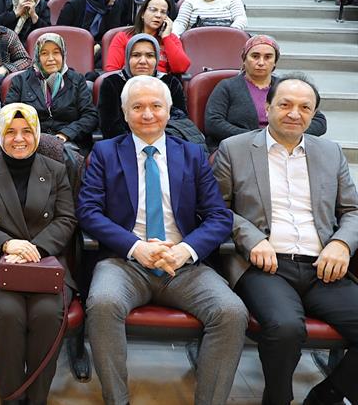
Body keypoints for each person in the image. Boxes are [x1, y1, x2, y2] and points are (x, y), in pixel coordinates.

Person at [77, 74, 248, 405]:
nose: (147, 114)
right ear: (124, 113)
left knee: (231, 312)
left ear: (169, 111)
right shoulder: (105, 152)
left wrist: (185, 250)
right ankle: (118, 401)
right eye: (137, 107)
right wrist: (136, 247)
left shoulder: (193, 155)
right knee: (103, 304)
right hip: (125, 261)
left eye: (156, 106)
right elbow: (88, 212)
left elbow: (219, 216)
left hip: (182, 265)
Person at [213, 73, 358, 405]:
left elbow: (352, 210)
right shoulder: (234, 149)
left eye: (305, 107)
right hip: (265, 266)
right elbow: (215, 209)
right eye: (285, 104)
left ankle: (328, 394)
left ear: (314, 113)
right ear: (267, 107)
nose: (295, 113)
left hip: (323, 266)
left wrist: (341, 244)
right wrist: (251, 237)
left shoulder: (330, 152)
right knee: (285, 327)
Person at [0, 102, 77, 404]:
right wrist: (7, 244)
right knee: (7, 313)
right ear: (0, 134)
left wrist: (34, 249)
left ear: (37, 133)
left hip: (45, 262)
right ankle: (12, 397)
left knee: (48, 314)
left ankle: (37, 398)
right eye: (11, 132)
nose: (19, 138)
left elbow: (66, 219)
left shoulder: (56, 170)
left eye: (26, 131)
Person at [205, 35, 327, 150]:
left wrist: (288, 134)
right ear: (244, 59)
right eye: (255, 56)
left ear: (275, 62)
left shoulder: (286, 87)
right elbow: (213, 123)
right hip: (239, 147)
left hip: (285, 146)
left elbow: (319, 122)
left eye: (268, 57)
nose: (261, 62)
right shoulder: (227, 86)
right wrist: (258, 138)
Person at [4, 33, 99, 156]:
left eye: (56, 53)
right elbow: (9, 115)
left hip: (67, 143)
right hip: (31, 141)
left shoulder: (77, 80)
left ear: (63, 55)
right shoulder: (20, 81)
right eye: (44, 53)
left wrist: (66, 133)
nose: (51, 58)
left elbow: (90, 116)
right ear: (37, 56)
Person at [98, 34, 190, 140]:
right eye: (136, 55)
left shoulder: (170, 83)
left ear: (157, 59)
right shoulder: (112, 83)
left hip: (165, 143)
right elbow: (110, 127)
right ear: (127, 58)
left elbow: (180, 122)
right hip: (123, 144)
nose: (142, 61)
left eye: (149, 56)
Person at [105, 0, 190, 75]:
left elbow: (181, 68)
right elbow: (112, 71)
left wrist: (166, 38)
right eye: (153, 10)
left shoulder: (171, 38)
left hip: (160, 82)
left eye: (163, 12)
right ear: (142, 14)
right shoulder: (123, 37)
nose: (158, 15)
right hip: (130, 82)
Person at [56, 0, 121, 42]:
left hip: (100, 46)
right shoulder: (74, 5)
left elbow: (112, 35)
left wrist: (99, 45)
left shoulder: (114, 5)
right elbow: (61, 33)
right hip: (72, 43)